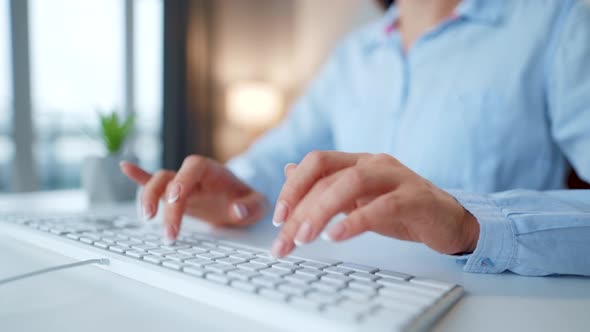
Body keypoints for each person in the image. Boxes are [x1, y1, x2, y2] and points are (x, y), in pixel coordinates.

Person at [120, 0, 590, 277]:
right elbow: (277, 158)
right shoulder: (352, 55)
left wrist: (471, 225)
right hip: (342, 293)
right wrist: (232, 187)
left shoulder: (558, 21)